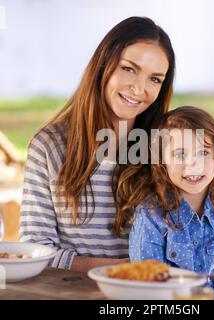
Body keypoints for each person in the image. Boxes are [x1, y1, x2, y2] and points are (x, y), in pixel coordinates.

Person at [19, 16, 175, 272]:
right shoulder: (49, 146)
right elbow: (35, 251)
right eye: (128, 69)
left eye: (155, 79)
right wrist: (121, 269)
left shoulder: (165, 147)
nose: (139, 88)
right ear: (104, 65)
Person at [114, 106, 214, 298]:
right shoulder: (151, 214)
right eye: (180, 154)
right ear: (162, 163)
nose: (192, 164)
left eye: (203, 153)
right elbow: (149, 285)